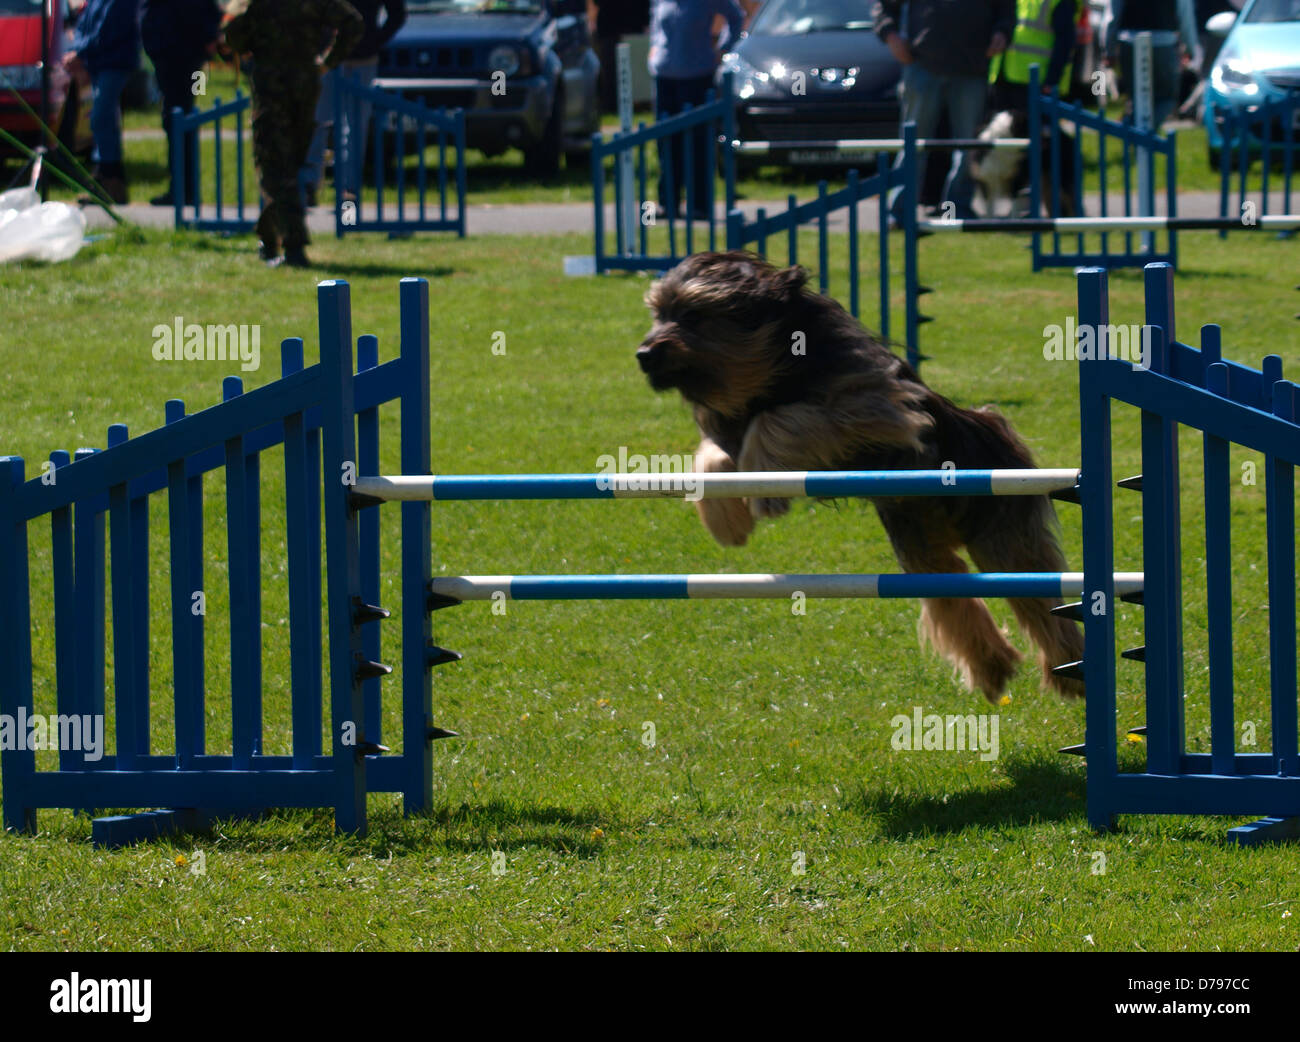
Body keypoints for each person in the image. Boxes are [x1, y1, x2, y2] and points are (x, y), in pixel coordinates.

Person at [222, 0, 363, 268]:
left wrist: (251, 43)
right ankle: (268, 239)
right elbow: (352, 23)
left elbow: (232, 34)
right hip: (304, 84)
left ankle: (294, 246)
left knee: (275, 169)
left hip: (271, 86)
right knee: (286, 168)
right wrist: (326, 61)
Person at [874, 0, 1016, 224]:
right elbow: (884, 7)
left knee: (968, 146)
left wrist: (1002, 32)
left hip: (972, 68)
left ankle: (957, 209)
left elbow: (1006, 9)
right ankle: (899, 212)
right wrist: (890, 35)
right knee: (913, 144)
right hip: (921, 65)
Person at [301, 0, 407, 206]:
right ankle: (308, 186)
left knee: (355, 125)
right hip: (327, 58)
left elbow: (397, 14)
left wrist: (375, 41)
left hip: (363, 57)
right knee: (317, 121)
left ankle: (347, 188)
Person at [649, 0, 745, 220]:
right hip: (665, 78)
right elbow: (656, 25)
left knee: (699, 143)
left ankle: (699, 205)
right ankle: (669, 203)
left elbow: (736, 16)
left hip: (698, 77)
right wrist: (654, 50)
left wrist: (723, 49)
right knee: (667, 143)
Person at [142, 0, 224, 207]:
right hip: (176, 51)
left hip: (181, 53)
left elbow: (197, 10)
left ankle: (184, 190)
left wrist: (208, 37)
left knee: (180, 120)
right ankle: (182, 188)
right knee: (178, 119)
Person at [64, 0, 141, 205]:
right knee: (102, 120)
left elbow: (109, 28)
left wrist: (80, 52)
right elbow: (83, 23)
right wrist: (78, 49)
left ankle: (112, 178)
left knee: (101, 116)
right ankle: (104, 177)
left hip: (115, 62)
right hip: (98, 62)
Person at [1102, 0, 1202, 129]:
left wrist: (1108, 49)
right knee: (1166, 98)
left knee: (1136, 98)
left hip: (1129, 41)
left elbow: (1112, 16)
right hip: (1163, 43)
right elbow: (1186, 15)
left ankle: (1134, 131)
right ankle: (1142, 133)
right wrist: (1189, 48)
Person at [989, 0, 1081, 114]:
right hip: (1004, 76)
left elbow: (1064, 43)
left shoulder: (1058, 2)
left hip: (1035, 83)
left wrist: (1052, 79)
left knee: (1029, 129)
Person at [589, 0, 651, 113]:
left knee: (635, 72)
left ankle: (638, 104)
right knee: (610, 74)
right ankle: (611, 106)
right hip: (611, 29)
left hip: (632, 28)